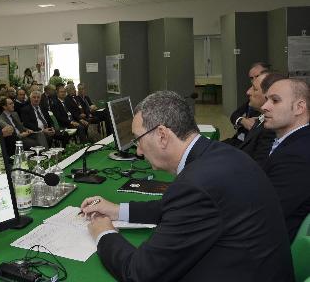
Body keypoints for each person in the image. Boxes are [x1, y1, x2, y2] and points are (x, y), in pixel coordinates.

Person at [80, 91, 293, 282]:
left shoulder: (196, 185)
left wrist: (104, 233)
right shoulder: (217, 153)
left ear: (162, 135)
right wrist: (117, 210)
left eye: (139, 140)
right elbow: (172, 207)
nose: (139, 152)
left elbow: (139, 273)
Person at [260, 78, 310, 242]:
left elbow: (266, 213)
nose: (264, 106)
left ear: (299, 107)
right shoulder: (293, 142)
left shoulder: (296, 155)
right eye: (266, 99)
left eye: (275, 100)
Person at [235, 72, 284, 164]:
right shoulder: (261, 118)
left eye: (254, 89)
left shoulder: (271, 128)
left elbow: (258, 166)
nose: (248, 92)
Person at [225, 62, 270, 146]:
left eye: (257, 76)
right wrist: (243, 121)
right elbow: (234, 115)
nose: (254, 80)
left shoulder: (270, 125)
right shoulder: (253, 99)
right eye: (251, 78)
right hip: (239, 140)